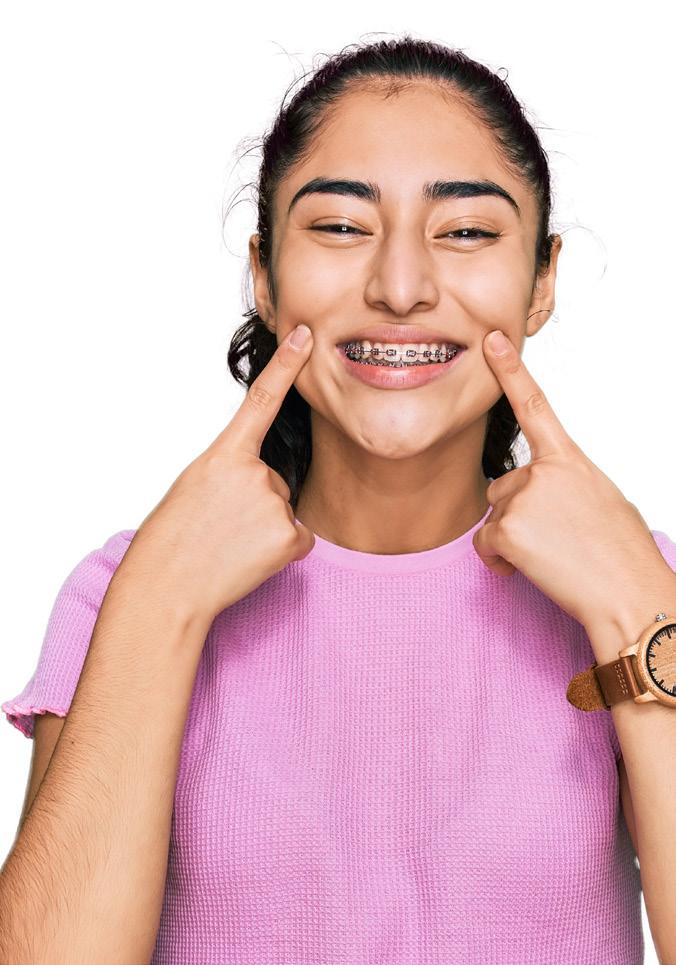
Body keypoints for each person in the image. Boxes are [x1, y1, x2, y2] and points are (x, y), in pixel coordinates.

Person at [2, 36, 674, 964]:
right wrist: (160, 602)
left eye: (467, 232)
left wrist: (637, 606)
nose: (400, 288)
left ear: (542, 281)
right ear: (265, 276)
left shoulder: (641, 586)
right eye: (342, 227)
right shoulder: (126, 587)